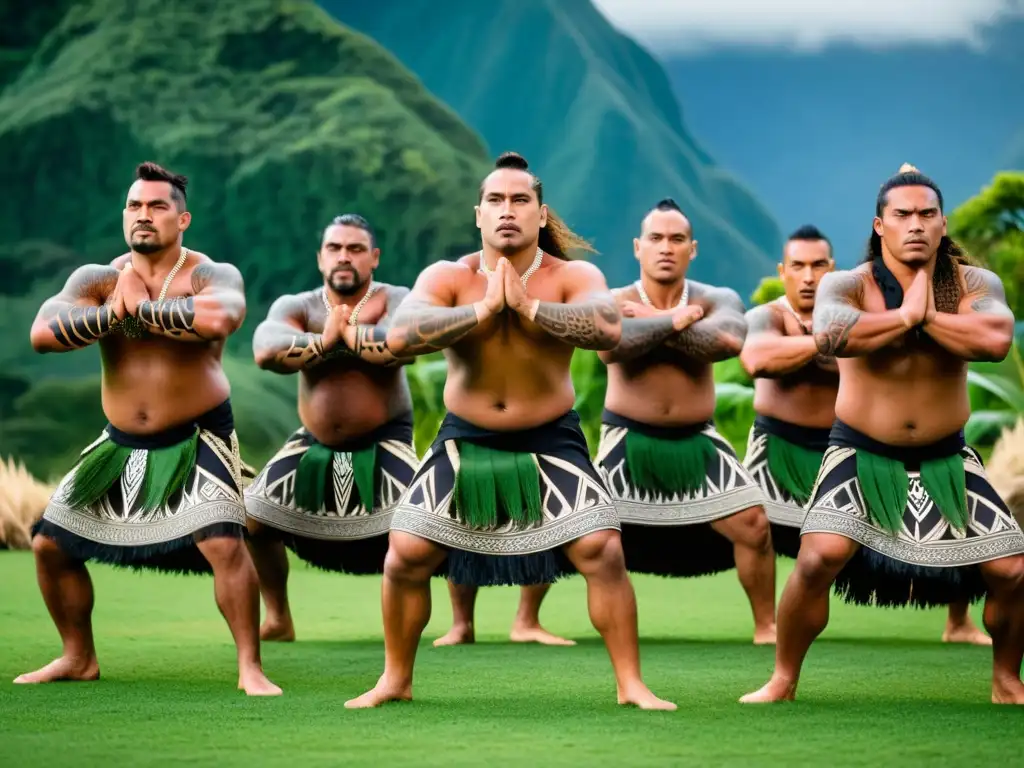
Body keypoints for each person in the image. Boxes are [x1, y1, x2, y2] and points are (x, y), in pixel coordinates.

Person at [343, 151, 675, 710]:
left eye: (520, 200)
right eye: (495, 200)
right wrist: (481, 312)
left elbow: (608, 327)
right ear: (478, 214)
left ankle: (631, 685)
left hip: (550, 435)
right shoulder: (448, 276)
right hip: (465, 436)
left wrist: (528, 309)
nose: (507, 210)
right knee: (405, 554)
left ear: (541, 214)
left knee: (603, 550)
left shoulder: (572, 276)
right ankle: (395, 678)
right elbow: (401, 336)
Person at [741, 164, 1024, 705]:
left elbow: (994, 339)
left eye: (927, 214)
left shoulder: (973, 284)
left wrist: (925, 319)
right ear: (879, 225)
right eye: (902, 215)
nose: (915, 224)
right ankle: (783, 677)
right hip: (860, 450)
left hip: (947, 456)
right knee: (819, 557)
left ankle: (1007, 680)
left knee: (1012, 569)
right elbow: (830, 334)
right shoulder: (847, 283)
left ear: (943, 224)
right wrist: (901, 319)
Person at [16, 162, 280, 695]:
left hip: (198, 434)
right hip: (119, 442)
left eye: (157, 207)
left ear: (182, 219)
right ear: (124, 216)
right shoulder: (97, 280)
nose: (144, 216)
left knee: (223, 544)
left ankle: (250, 666)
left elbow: (219, 318)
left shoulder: (210, 272)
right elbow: (42, 332)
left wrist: (144, 307)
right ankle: (77, 656)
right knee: (48, 545)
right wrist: (117, 311)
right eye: (135, 206)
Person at [741, 223, 991, 645]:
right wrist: (832, 341)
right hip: (780, 450)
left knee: (954, 517)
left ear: (832, 268)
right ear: (782, 270)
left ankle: (959, 621)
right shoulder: (769, 316)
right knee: (749, 523)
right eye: (798, 266)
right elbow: (758, 359)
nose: (808, 276)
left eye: (818, 264)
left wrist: (852, 334)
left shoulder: (864, 309)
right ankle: (767, 624)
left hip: (852, 447)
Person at [594, 198, 776, 644]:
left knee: (753, 523)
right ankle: (527, 618)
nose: (666, 247)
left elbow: (727, 341)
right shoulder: (613, 300)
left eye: (677, 239)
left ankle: (766, 626)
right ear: (638, 247)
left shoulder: (717, 298)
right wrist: (683, 322)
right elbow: (610, 346)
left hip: (699, 439)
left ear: (692, 249)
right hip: (626, 438)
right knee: (573, 525)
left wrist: (658, 321)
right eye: (656, 238)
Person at [244, 214, 419, 641]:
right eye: (335, 249)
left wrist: (344, 332)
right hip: (312, 442)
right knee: (251, 519)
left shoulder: (396, 297)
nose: (345, 257)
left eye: (356, 249)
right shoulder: (298, 306)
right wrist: (324, 341)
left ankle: (461, 623)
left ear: (373, 258)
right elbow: (266, 350)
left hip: (387, 440)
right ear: (321, 258)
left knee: (432, 518)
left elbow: (405, 343)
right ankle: (278, 617)